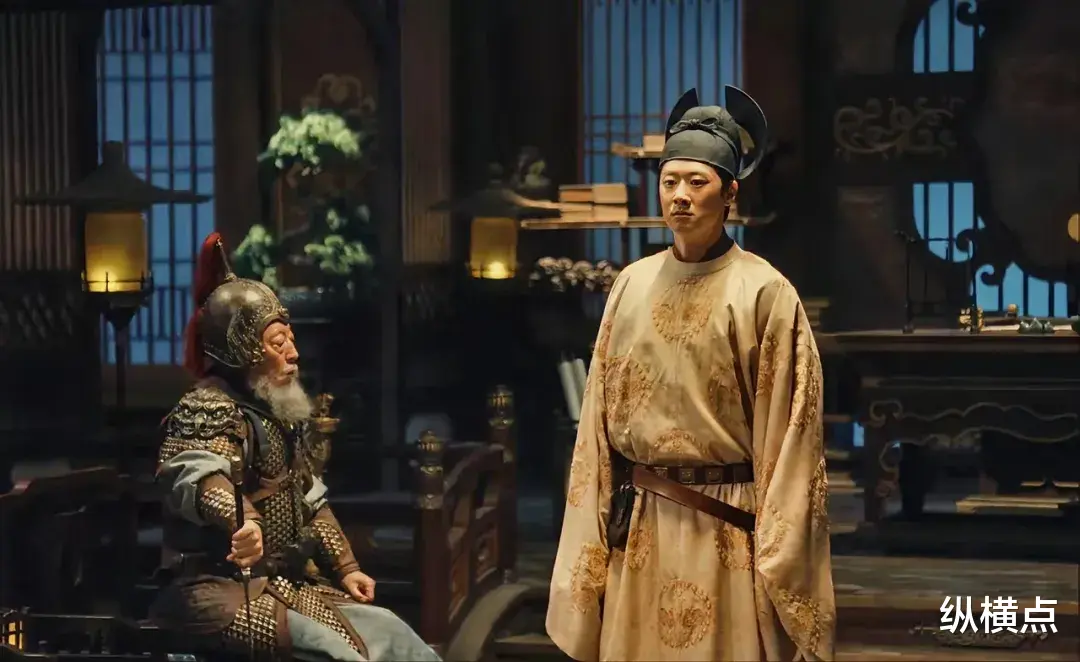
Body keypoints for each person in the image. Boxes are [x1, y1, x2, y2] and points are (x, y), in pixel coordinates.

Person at [546, 87, 835, 661]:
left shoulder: (765, 291)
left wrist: (779, 552)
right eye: (669, 181)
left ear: (730, 192)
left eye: (697, 182)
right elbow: (596, 428)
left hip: (729, 526)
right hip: (642, 523)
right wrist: (592, 539)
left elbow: (793, 435)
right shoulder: (630, 286)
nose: (679, 196)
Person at [150, 232, 440, 662]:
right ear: (244, 349)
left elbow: (309, 498)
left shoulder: (276, 412)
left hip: (285, 581)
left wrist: (347, 568)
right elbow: (201, 475)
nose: (293, 354)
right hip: (216, 588)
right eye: (278, 343)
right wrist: (243, 523)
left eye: (290, 339)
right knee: (334, 653)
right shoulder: (205, 407)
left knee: (395, 637)